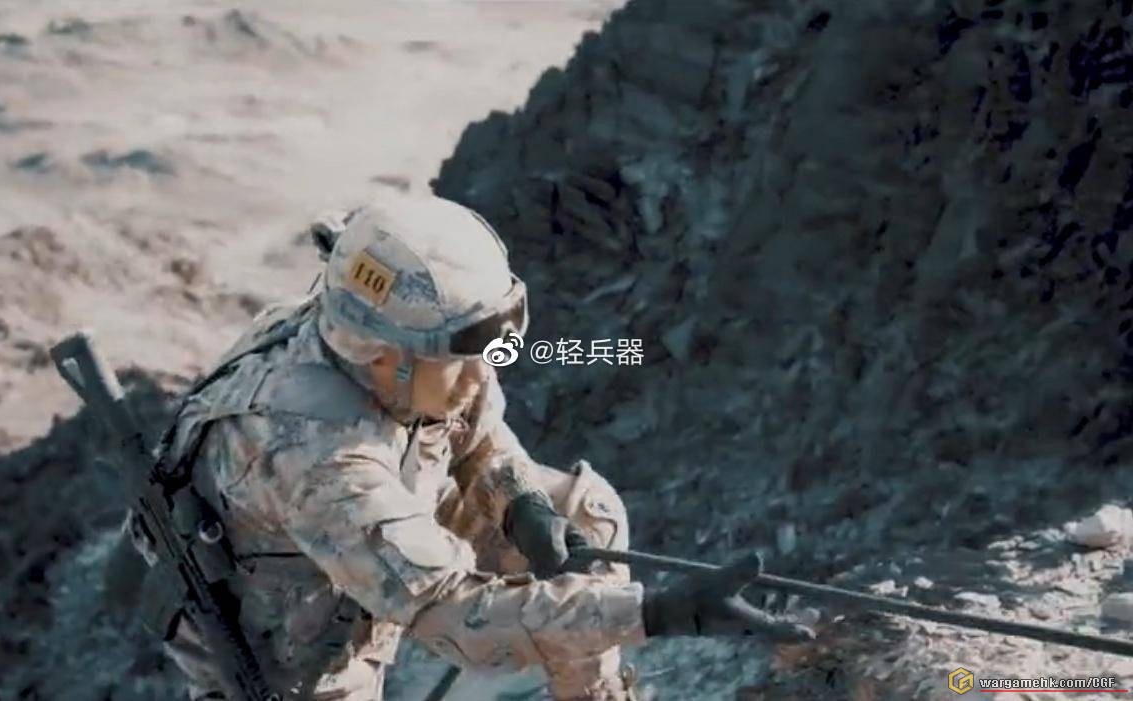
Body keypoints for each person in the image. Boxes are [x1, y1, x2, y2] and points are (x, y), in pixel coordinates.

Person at [123, 193, 811, 701]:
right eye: (462, 359)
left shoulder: (404, 356)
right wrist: (656, 614)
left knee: (585, 513)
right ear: (381, 354)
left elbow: (473, 429)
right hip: (298, 640)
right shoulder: (316, 456)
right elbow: (458, 617)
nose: (485, 374)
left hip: (388, 505)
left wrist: (521, 504)